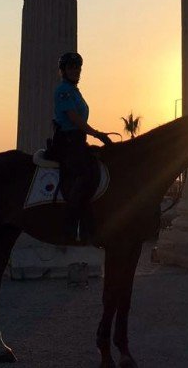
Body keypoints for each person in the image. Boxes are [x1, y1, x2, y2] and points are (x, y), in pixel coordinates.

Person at [52, 52, 111, 243]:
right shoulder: (63, 90)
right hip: (67, 142)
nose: (76, 71)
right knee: (85, 174)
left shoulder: (75, 91)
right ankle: (70, 227)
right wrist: (96, 133)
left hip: (78, 141)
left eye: (78, 68)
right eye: (71, 67)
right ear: (63, 70)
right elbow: (73, 118)